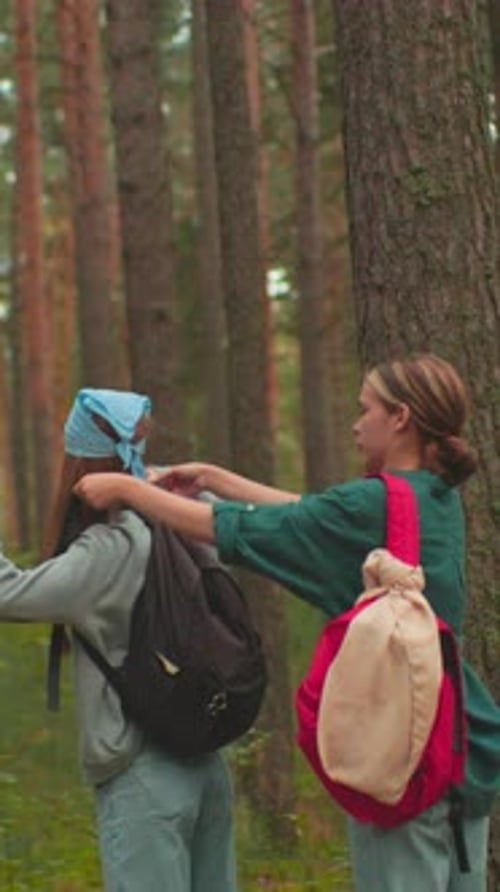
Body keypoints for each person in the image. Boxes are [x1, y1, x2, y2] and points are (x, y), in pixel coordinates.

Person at [75, 355, 500, 892]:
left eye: (365, 408)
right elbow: (312, 516)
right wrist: (213, 478)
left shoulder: (371, 503)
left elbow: (236, 529)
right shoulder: (435, 497)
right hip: (463, 747)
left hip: (405, 752)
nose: (355, 422)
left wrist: (130, 491)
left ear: (400, 418)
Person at [0, 388, 237, 892]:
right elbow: (238, 523)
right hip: (207, 761)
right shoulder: (185, 516)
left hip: (143, 776)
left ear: (79, 462)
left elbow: (8, 593)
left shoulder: (107, 550)